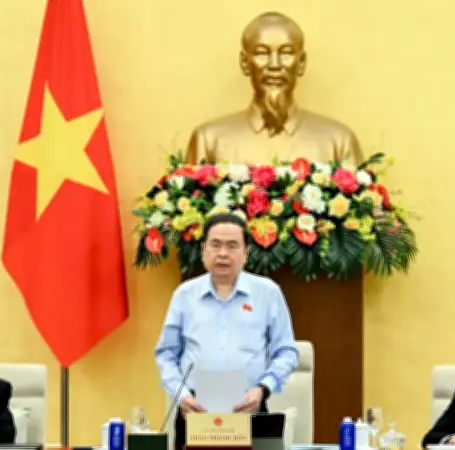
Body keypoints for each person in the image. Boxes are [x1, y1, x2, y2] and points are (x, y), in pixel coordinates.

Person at [154, 213, 299, 450]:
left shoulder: (267, 293)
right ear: (203, 250)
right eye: (215, 245)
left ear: (246, 253)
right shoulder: (185, 295)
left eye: (232, 246)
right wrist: (182, 396)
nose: (223, 253)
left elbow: (286, 352)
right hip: (195, 412)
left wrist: (262, 389)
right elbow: (166, 355)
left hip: (250, 410)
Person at [184, 11, 364, 165]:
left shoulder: (338, 141)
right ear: (245, 63)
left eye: (286, 52)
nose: (275, 65)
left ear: (301, 62)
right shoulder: (208, 141)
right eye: (262, 53)